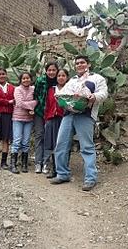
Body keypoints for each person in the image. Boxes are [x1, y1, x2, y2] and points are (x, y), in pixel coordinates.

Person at [51, 55, 108, 191]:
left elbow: (103, 94)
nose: (80, 65)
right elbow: (64, 93)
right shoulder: (72, 80)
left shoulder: (97, 78)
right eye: (77, 63)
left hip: (85, 115)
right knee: (61, 144)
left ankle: (90, 178)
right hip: (69, 115)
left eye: (82, 63)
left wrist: (93, 97)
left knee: (87, 147)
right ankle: (62, 173)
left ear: (88, 64)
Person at [43, 69, 69, 178]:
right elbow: (47, 105)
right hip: (51, 119)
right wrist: (46, 119)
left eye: (63, 75)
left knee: (63, 144)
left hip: (64, 119)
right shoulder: (51, 90)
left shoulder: (70, 89)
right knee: (53, 145)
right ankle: (54, 169)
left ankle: (63, 169)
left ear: (67, 77)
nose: (61, 77)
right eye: (59, 76)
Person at [33, 61, 58, 173]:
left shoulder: (59, 81)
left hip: (52, 114)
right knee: (39, 136)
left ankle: (46, 163)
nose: (51, 72)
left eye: (54, 70)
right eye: (49, 70)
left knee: (49, 138)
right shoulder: (40, 80)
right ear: (46, 71)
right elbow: (36, 95)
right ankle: (38, 162)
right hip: (40, 112)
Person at [10, 72, 37, 174]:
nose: (26, 80)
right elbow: (20, 103)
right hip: (18, 118)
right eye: (24, 78)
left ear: (31, 79)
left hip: (29, 119)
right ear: (21, 80)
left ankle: (24, 164)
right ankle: (13, 164)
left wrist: (30, 103)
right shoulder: (17, 89)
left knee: (26, 142)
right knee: (17, 141)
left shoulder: (33, 89)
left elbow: (37, 100)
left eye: (28, 78)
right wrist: (32, 104)